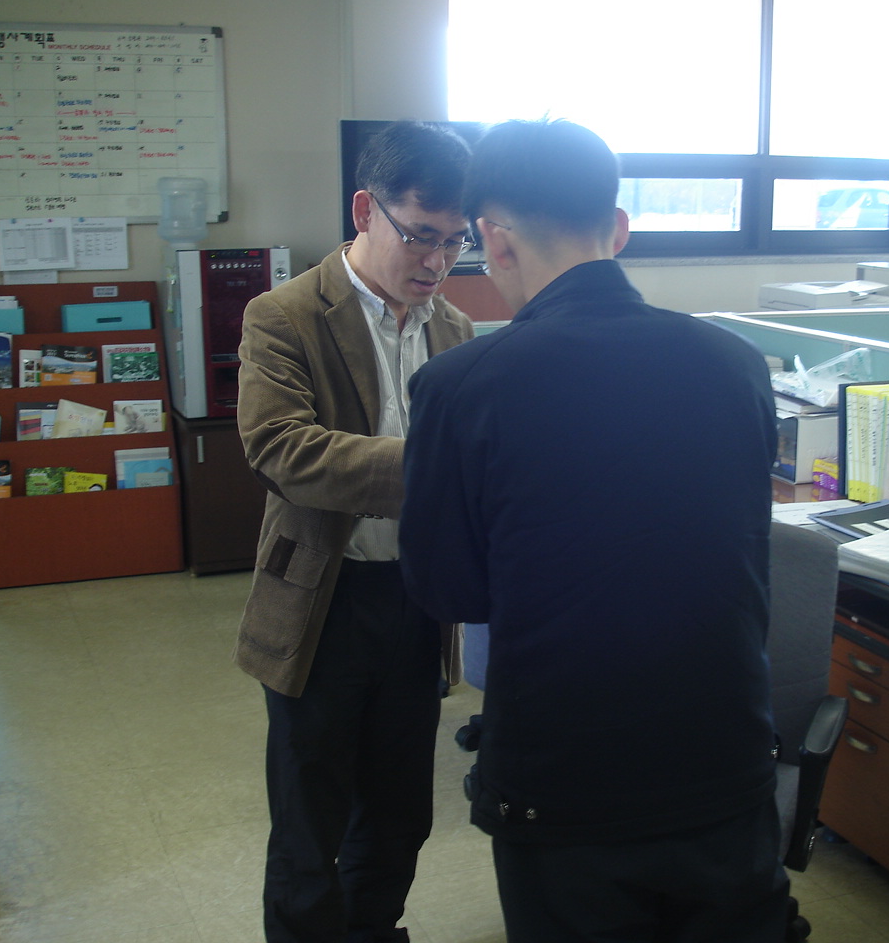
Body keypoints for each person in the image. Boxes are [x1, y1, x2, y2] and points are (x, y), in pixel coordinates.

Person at [399, 119, 788, 943]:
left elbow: (449, 590)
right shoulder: (738, 366)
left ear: (495, 241)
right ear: (617, 227)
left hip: (564, 784)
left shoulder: (460, 386)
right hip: (726, 765)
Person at [234, 120, 476, 943]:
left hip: (415, 601)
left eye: (456, 242)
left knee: (401, 812)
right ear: (366, 209)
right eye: (421, 235)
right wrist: (438, 468)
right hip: (323, 599)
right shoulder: (285, 315)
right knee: (311, 819)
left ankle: (372, 930)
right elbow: (281, 450)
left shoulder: (452, 329)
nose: (436, 261)